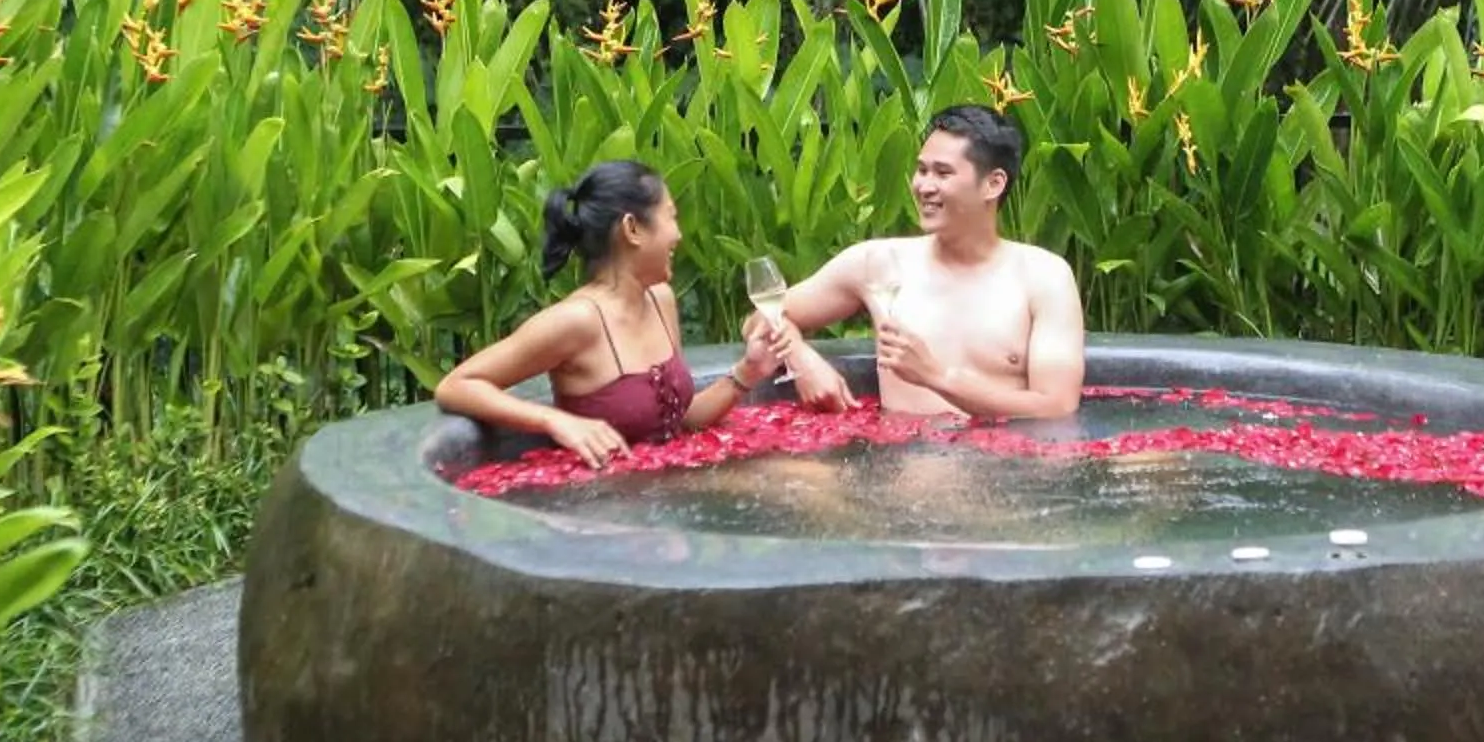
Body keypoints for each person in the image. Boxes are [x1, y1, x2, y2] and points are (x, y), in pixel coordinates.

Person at [437, 160, 786, 466]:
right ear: (632, 228)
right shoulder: (577, 320)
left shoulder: (661, 300)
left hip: (666, 485)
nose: (679, 235)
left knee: (806, 480)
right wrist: (553, 421)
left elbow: (682, 421)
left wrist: (747, 373)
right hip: (607, 508)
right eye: (671, 218)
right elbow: (456, 386)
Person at [759, 104, 1085, 420]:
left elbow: (1056, 406)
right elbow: (763, 316)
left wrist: (936, 376)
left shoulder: (1044, 277)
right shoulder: (877, 263)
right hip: (903, 463)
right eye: (922, 170)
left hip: (1006, 465)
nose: (924, 187)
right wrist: (801, 360)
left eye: (942, 173)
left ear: (993, 184)